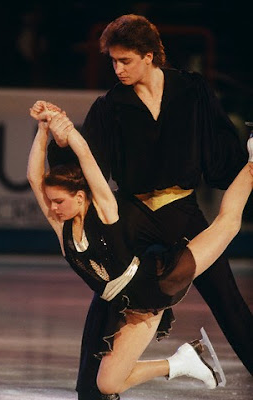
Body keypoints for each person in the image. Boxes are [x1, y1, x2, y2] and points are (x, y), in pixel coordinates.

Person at [48, 14, 253, 400]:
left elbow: (221, 147)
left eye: (125, 60)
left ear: (149, 56)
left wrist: (248, 165)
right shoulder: (110, 107)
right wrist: (60, 141)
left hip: (182, 210)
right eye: (113, 61)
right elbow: (84, 171)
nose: (117, 69)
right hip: (133, 216)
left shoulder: (191, 91)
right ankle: (90, 389)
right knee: (110, 290)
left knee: (227, 299)